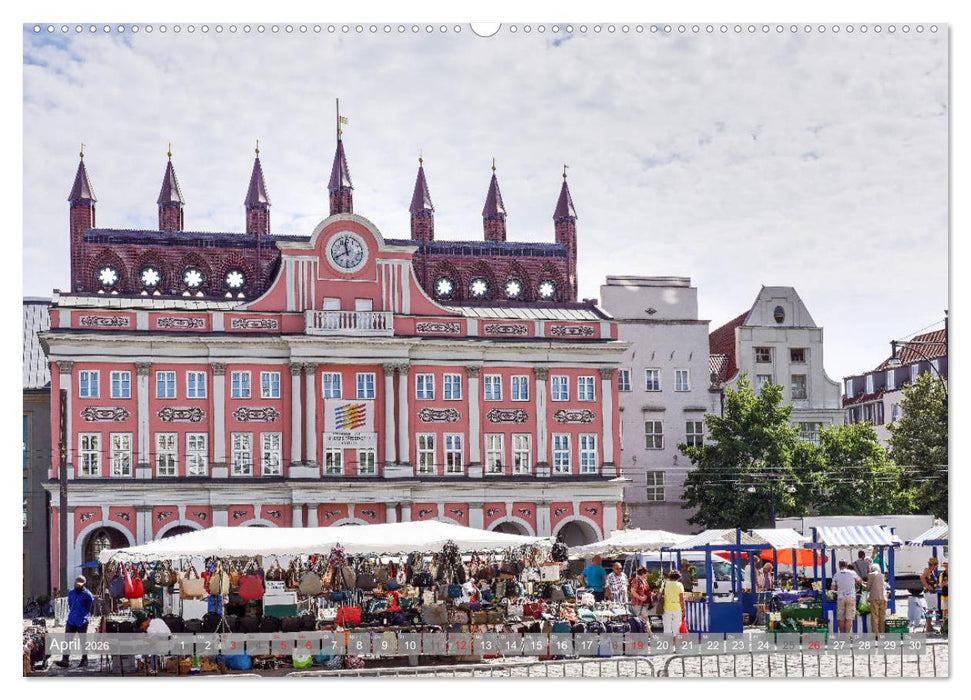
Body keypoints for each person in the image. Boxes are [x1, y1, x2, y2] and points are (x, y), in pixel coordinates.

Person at [55, 576, 94, 668]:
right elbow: (70, 603)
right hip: (71, 619)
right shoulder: (71, 592)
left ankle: (84, 660)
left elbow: (89, 608)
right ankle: (65, 660)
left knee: (83, 641)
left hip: (82, 620)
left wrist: (82, 614)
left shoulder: (88, 595)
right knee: (67, 640)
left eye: (80, 585)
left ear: (84, 584)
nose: (78, 586)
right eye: (77, 584)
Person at [831, 560, 861, 634]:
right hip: (851, 596)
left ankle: (841, 634)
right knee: (849, 618)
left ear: (839, 566)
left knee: (840, 618)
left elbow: (832, 588)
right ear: (847, 565)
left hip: (841, 597)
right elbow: (860, 581)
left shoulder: (836, 574)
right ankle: (847, 636)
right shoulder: (852, 573)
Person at [660, 570, 686, 635]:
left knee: (667, 629)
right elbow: (681, 599)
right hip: (677, 608)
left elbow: (658, 596)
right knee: (676, 629)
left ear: (670, 577)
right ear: (678, 577)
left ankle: (668, 644)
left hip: (666, 607)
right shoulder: (680, 585)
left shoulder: (664, 584)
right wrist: (683, 609)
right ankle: (676, 644)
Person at [866, 563, 888, 635]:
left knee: (875, 617)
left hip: (875, 598)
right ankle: (882, 633)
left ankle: (876, 635)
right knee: (882, 617)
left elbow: (868, 588)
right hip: (883, 598)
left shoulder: (871, 575)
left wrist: (864, 585)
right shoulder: (882, 575)